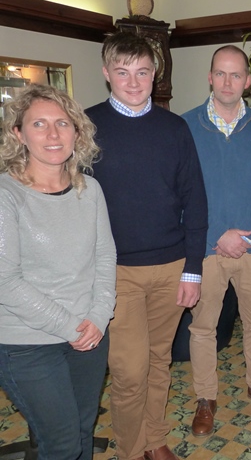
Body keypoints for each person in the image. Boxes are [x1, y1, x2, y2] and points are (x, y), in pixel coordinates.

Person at [86, 32, 208, 460]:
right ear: (107, 73)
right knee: (129, 370)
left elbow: (195, 200)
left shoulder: (174, 128)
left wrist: (193, 269)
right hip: (115, 271)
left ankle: (154, 438)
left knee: (159, 361)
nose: (134, 82)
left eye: (142, 72)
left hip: (171, 266)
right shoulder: (86, 127)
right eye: (123, 72)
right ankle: (131, 448)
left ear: (154, 73)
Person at [0, 84, 116, 459]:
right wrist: (71, 326)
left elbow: (104, 257)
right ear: (18, 133)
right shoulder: (6, 195)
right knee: (63, 444)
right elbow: (5, 282)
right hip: (26, 343)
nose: (53, 134)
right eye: (39, 124)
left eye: (62, 123)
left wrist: (99, 316)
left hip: (89, 334)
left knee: (82, 432)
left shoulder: (90, 190)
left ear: (76, 132)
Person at [182, 45, 251, 438]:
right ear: (210, 77)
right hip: (206, 248)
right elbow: (181, 192)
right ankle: (205, 398)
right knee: (203, 327)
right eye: (221, 73)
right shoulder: (186, 126)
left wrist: (246, 237)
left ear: (247, 80)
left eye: (236, 74)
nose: (228, 82)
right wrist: (217, 236)